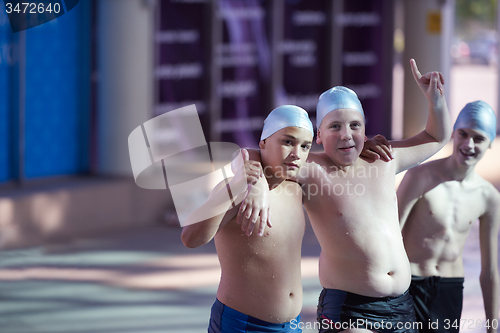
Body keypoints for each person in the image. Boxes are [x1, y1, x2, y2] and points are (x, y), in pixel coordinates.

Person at [238, 59, 452, 333]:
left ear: (365, 129)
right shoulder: (311, 168)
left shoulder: (384, 159)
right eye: (335, 127)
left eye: (355, 125)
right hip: (350, 309)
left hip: (402, 305)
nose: (346, 135)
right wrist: (255, 183)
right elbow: (252, 153)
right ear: (318, 136)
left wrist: (435, 101)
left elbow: (436, 137)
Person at [181, 105, 314, 332]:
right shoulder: (236, 188)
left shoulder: (296, 188)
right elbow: (191, 238)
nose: (296, 154)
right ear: (263, 143)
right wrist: (235, 187)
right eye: (288, 142)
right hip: (242, 325)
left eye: (305, 146)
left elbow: (340, 160)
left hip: (293, 326)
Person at [398, 100, 500, 333]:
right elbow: (390, 236)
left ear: (490, 143)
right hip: (408, 284)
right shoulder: (419, 177)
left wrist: (493, 327)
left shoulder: (489, 198)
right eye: (463, 134)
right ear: (453, 132)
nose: (468, 144)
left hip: (449, 290)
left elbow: (490, 271)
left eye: (479, 138)